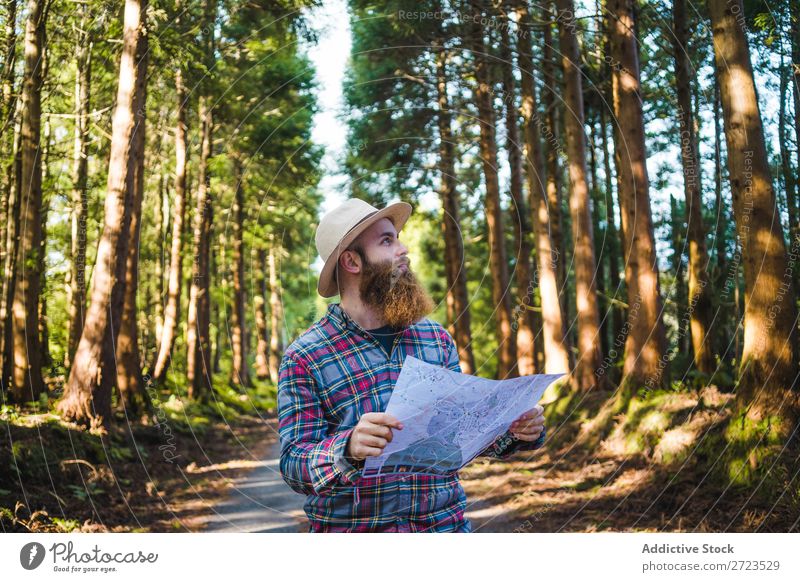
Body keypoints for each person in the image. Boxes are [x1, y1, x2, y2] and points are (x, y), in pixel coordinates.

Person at [277, 198, 547, 532]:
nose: (404, 249)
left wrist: (513, 431)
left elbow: (457, 439)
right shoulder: (305, 356)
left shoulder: (435, 340)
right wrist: (347, 448)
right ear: (351, 260)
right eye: (387, 241)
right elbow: (292, 465)